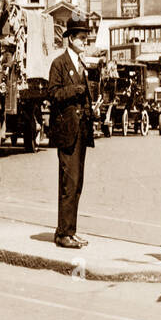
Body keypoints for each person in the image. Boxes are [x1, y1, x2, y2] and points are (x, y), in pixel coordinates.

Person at [46, 17, 95, 250]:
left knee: (76, 183)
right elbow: (53, 93)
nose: (85, 42)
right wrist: (76, 90)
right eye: (82, 38)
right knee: (69, 181)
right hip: (67, 132)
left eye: (86, 38)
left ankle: (69, 230)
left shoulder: (80, 64)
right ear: (71, 39)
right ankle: (63, 232)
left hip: (80, 131)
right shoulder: (60, 63)